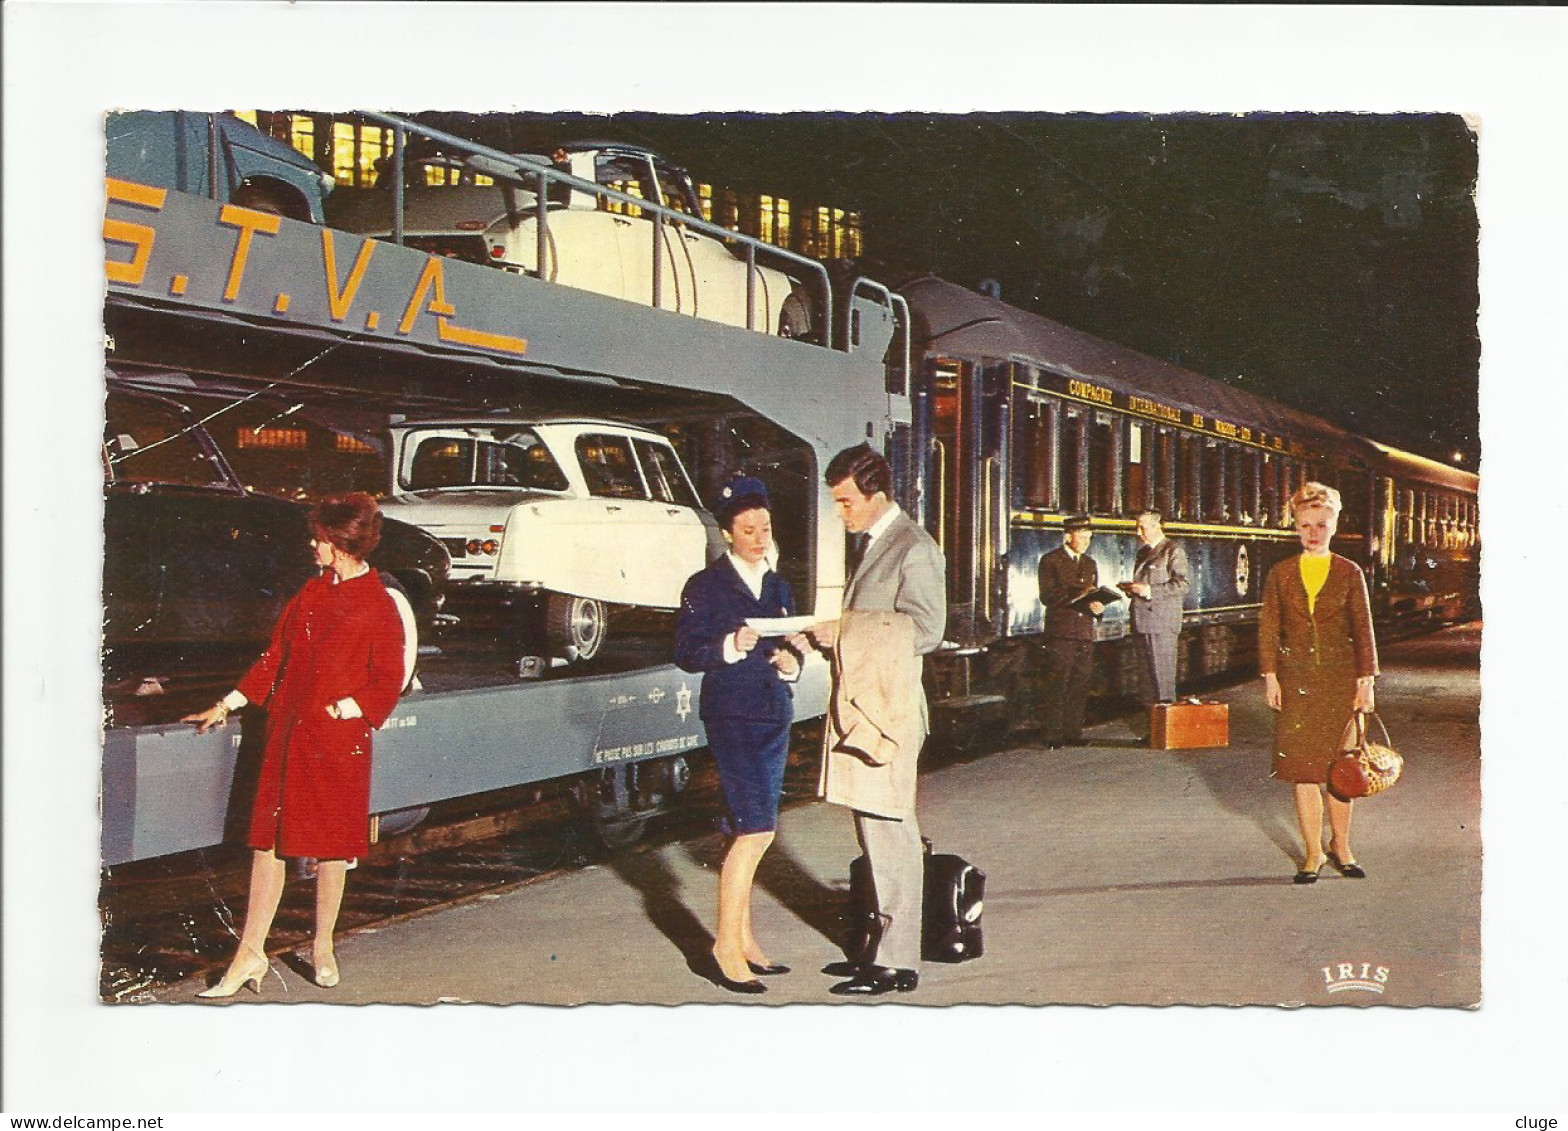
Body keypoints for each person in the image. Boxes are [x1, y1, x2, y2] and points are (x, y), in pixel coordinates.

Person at [182, 492, 409, 996]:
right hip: (288, 735)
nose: (313, 544)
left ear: (341, 543)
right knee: (267, 845)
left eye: (320, 538)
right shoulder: (311, 593)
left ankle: (323, 944)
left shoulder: (378, 604)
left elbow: (388, 677)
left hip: (336, 739)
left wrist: (348, 708)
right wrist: (229, 702)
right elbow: (277, 655)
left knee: (330, 850)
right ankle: (248, 955)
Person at [806, 444, 946, 997]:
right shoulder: (880, 543)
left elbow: (926, 629)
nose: (842, 514)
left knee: (890, 830)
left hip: (889, 709)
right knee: (875, 828)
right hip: (871, 704)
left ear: (877, 495)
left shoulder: (913, 546)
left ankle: (895, 961)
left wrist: (844, 631)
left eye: (846, 503)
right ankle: (881, 946)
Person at [673, 475, 802, 995]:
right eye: (747, 529)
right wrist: (729, 644)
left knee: (748, 826)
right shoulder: (703, 586)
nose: (758, 537)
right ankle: (724, 948)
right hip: (731, 715)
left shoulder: (778, 585)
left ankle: (744, 938)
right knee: (757, 830)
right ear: (727, 533)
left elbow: (792, 648)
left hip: (774, 711)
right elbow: (686, 652)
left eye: (764, 528)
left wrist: (793, 659)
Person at [1259, 482, 1379, 884]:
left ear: (1334, 525)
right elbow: (1269, 627)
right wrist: (1271, 676)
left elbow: (1364, 631)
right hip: (1296, 683)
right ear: (1295, 526)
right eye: (1305, 524)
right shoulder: (1281, 574)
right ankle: (1312, 853)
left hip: (1340, 682)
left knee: (1342, 769)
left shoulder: (1349, 572)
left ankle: (1340, 845)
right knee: (1304, 770)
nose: (1313, 532)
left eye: (1321, 525)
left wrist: (1367, 682)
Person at [1037, 514, 1105, 749]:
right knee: (1058, 682)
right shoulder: (1050, 561)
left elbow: (1094, 596)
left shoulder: (1090, 564)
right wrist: (1078, 596)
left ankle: (1073, 733)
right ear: (1068, 536)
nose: (1086, 542)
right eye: (1082, 537)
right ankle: (1052, 736)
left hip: (1084, 631)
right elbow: (1048, 596)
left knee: (1080, 682)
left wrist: (1098, 608)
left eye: (1089, 538)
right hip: (1062, 632)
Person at [1126, 510, 1190, 711]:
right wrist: (1133, 590)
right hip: (1143, 622)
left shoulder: (1173, 550)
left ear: (1156, 526)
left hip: (1162, 624)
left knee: (1162, 683)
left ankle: (1165, 734)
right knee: (1146, 683)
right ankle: (1152, 731)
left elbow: (1183, 585)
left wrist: (1149, 591)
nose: (1138, 533)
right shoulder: (1143, 552)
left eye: (1142, 528)